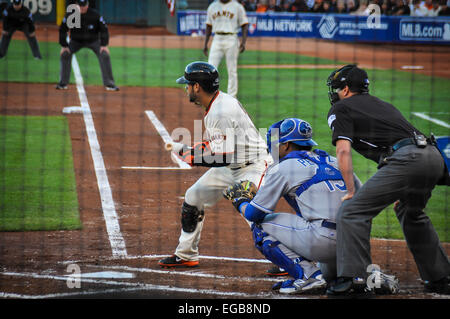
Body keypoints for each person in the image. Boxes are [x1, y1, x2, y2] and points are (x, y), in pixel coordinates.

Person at [225, 118, 399, 294]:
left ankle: (308, 275)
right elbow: (364, 201)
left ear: (286, 145)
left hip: (322, 241)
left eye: (275, 144)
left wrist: (241, 202)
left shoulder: (284, 167)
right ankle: (372, 275)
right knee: (332, 275)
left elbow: (255, 213)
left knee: (261, 227)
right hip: (353, 243)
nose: (272, 149)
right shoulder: (335, 161)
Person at [325, 64, 450, 296]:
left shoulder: (341, 109)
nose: (335, 93)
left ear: (345, 89)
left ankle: (355, 280)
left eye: (336, 88)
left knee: (352, 212)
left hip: (408, 160)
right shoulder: (383, 105)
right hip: (433, 157)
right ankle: (441, 278)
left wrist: (351, 191)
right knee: (410, 212)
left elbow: (343, 151)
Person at [158, 61, 272, 268]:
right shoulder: (218, 103)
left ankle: (288, 261)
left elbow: (222, 157)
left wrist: (193, 158)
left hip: (253, 166)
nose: (186, 88)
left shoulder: (221, 112)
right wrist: (193, 149)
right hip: (232, 166)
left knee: (253, 214)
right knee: (193, 198)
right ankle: (186, 254)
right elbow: (220, 145)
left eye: (188, 84)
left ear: (197, 87)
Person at [56, 0, 119, 91]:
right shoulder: (72, 15)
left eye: (84, 6)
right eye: (80, 6)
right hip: (76, 42)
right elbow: (62, 29)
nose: (82, 8)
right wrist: (64, 46)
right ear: (76, 5)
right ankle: (63, 83)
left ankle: (109, 84)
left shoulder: (95, 15)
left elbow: (104, 29)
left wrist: (104, 45)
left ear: (87, 5)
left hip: (93, 41)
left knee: (104, 54)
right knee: (65, 54)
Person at [203, 0, 249, 98]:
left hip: (231, 38)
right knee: (210, 68)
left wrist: (243, 42)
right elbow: (208, 25)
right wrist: (205, 43)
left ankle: (232, 97)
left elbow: (245, 24)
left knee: (232, 70)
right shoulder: (213, 6)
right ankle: (210, 94)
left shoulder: (237, 6)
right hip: (217, 38)